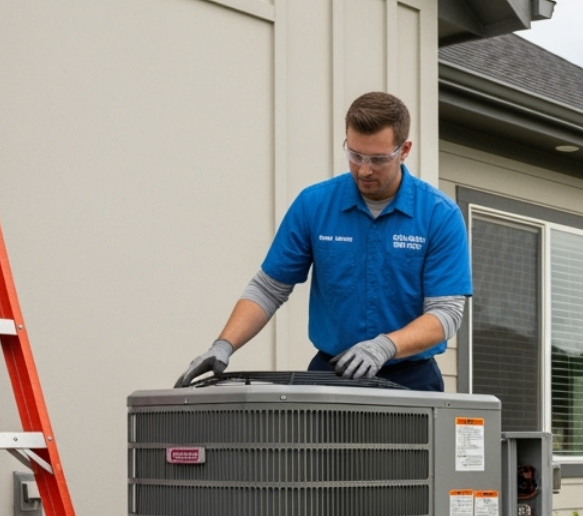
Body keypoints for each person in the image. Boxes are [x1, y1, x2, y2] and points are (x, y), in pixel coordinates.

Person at [176, 92, 471, 391]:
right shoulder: (314, 205)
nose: (364, 169)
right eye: (355, 155)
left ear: (404, 150)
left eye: (378, 159)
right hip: (332, 373)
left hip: (411, 378)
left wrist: (385, 346)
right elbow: (268, 288)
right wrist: (223, 345)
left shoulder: (439, 215)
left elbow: (445, 313)